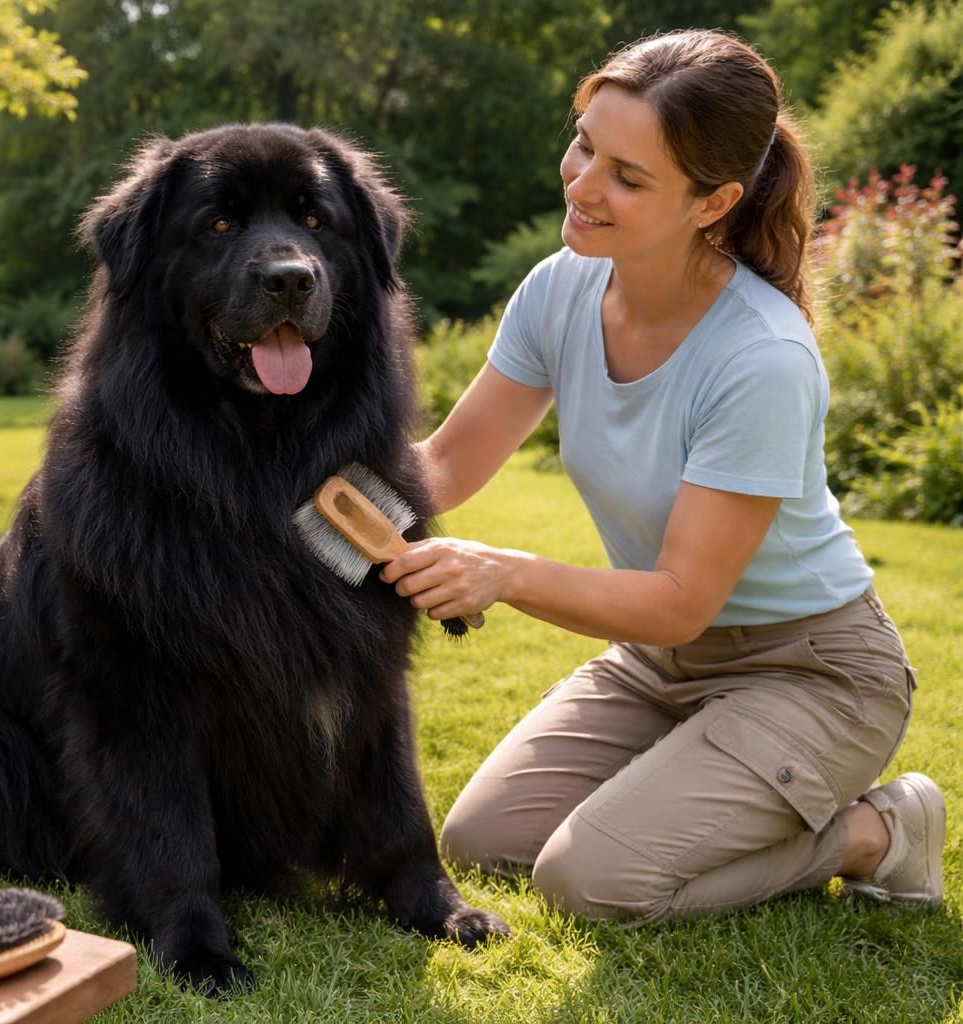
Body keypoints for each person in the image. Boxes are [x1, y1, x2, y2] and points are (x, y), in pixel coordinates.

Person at [381, 28, 944, 923]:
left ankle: (879, 831)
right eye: (583, 146)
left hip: (812, 672)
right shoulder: (560, 287)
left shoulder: (760, 357)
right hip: (660, 666)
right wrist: (282, 475)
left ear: (713, 201)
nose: (581, 184)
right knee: (481, 840)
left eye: (627, 177)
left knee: (589, 882)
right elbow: (442, 464)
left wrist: (505, 573)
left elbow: (683, 595)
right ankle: (702, 762)